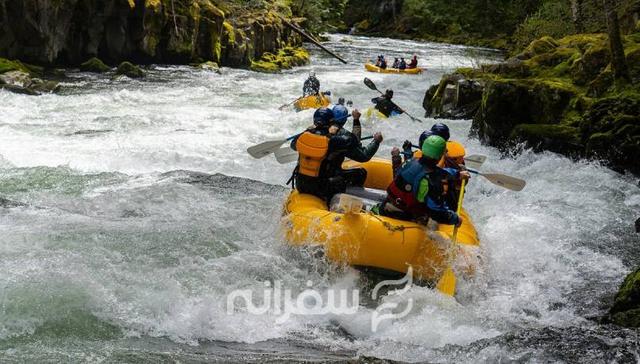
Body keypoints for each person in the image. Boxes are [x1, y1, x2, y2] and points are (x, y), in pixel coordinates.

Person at [289, 107, 383, 201]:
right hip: (321, 188)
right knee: (360, 173)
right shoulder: (333, 141)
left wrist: (308, 130)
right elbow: (354, 141)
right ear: (331, 122)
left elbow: (292, 145)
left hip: (301, 185)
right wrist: (355, 121)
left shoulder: (302, 137)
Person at [375, 135, 469, 225]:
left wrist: (457, 174)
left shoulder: (412, 161)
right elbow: (437, 213)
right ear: (440, 156)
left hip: (386, 206)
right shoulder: (433, 181)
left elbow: (435, 172)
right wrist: (455, 219)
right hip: (405, 218)